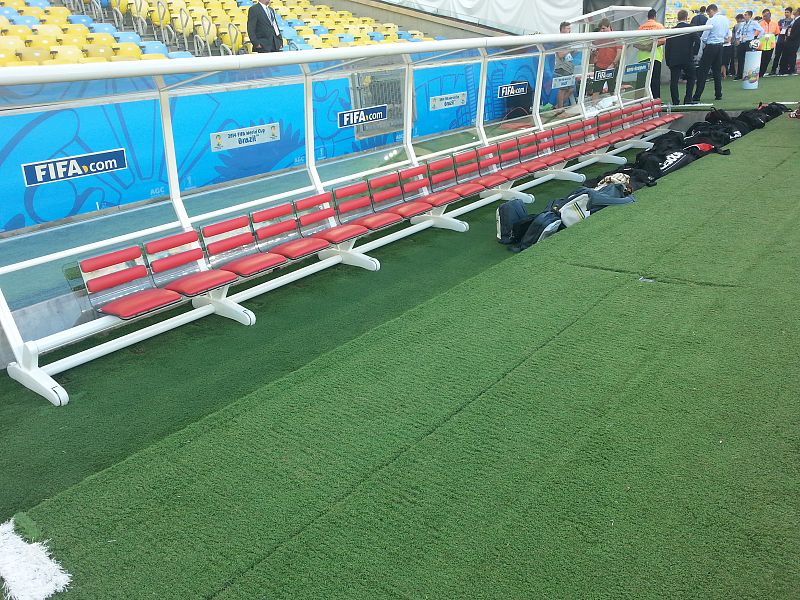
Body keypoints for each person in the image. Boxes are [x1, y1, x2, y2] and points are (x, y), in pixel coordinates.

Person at [693, 4, 730, 102]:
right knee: (717, 71)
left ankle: (697, 96)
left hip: (711, 47)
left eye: (708, 13)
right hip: (720, 46)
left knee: (703, 72)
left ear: (711, 11)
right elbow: (727, 34)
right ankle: (718, 94)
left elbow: (704, 37)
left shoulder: (711, 20)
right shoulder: (725, 20)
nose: (708, 15)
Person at [665, 10, 698, 104]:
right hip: (687, 58)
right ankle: (688, 99)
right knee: (691, 78)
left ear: (677, 18)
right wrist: (694, 53)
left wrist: (668, 60)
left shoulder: (672, 30)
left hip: (674, 59)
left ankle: (675, 101)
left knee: (674, 81)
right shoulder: (690, 28)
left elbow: (667, 47)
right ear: (687, 17)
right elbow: (698, 41)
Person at [590, 19, 622, 103]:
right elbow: (594, 49)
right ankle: (594, 108)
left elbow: (619, 52)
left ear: (609, 27)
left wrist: (613, 64)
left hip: (611, 67)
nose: (601, 30)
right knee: (596, 89)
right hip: (599, 66)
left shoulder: (616, 37)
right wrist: (593, 54)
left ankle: (617, 107)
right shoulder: (600, 38)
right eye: (600, 28)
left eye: (603, 28)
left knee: (612, 89)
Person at [636, 9, 666, 99]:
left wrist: (645, 47)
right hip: (655, 57)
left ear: (647, 17)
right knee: (655, 80)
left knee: (641, 82)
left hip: (642, 58)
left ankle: (639, 101)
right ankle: (656, 100)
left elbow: (635, 43)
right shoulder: (659, 26)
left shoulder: (641, 27)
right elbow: (663, 41)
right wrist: (651, 46)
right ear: (655, 16)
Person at [734, 10, 764, 79]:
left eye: (746, 15)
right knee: (740, 58)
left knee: (748, 58)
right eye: (744, 15)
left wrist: (757, 38)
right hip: (742, 42)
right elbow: (738, 32)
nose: (744, 16)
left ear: (750, 16)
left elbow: (761, 30)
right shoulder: (742, 24)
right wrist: (738, 39)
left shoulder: (753, 23)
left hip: (749, 42)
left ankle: (748, 74)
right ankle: (739, 74)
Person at [554, 21, 576, 109]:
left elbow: (568, 55)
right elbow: (560, 54)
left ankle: (558, 106)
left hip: (569, 67)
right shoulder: (559, 40)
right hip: (562, 68)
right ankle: (560, 109)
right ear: (562, 29)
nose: (570, 30)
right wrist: (570, 50)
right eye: (568, 28)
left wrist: (573, 51)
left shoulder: (568, 40)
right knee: (562, 89)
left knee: (571, 89)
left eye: (570, 28)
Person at [771, 7, 795, 75]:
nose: (786, 13)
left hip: (787, 41)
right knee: (777, 56)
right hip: (780, 40)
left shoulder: (793, 21)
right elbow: (777, 29)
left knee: (785, 56)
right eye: (785, 12)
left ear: (790, 13)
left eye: (787, 12)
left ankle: (783, 69)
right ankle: (773, 70)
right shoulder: (781, 21)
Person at [778, 7, 800, 74]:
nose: (794, 11)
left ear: (798, 12)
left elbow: (797, 32)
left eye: (795, 10)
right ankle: (783, 69)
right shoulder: (794, 20)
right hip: (789, 40)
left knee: (792, 55)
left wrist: (789, 37)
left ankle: (791, 69)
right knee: (786, 55)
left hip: (794, 41)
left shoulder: (798, 21)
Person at [759, 9, 781, 76]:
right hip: (762, 45)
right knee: (761, 59)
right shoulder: (760, 23)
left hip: (770, 45)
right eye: (764, 15)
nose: (764, 17)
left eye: (766, 15)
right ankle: (759, 73)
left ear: (770, 15)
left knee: (767, 59)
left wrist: (771, 36)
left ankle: (762, 73)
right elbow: (756, 34)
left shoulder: (774, 23)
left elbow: (777, 32)